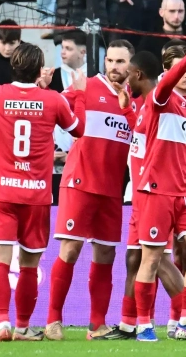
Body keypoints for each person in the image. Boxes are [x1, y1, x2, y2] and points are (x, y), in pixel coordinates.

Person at [0, 43, 86, 341]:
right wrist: (77, 94)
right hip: (36, 195)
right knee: (29, 265)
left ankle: (2, 324)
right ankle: (23, 326)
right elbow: (79, 130)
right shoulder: (52, 99)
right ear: (39, 71)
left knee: (0, 261)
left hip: (2, 193)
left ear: (13, 66)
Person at [45, 40, 136, 341]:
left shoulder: (133, 100)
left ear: (131, 65)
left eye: (120, 62)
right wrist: (43, 89)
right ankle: (53, 320)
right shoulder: (87, 86)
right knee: (70, 249)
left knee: (106, 253)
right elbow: (54, 107)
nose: (114, 67)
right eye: (110, 60)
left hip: (111, 189)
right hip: (80, 183)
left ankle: (97, 325)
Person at [133, 28, 186, 342]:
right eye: (183, 69)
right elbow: (167, 83)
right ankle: (143, 325)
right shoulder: (161, 98)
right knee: (151, 259)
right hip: (158, 190)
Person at [112, 50, 186, 341]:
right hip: (139, 193)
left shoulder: (159, 100)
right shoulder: (144, 106)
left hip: (153, 194)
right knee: (135, 257)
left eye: (128, 73)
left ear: (138, 74)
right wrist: (127, 110)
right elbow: (143, 138)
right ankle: (128, 324)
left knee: (156, 259)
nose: (125, 78)